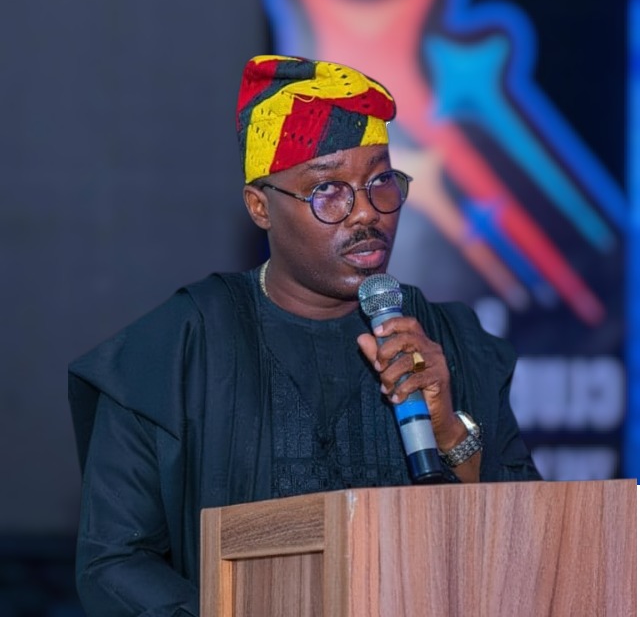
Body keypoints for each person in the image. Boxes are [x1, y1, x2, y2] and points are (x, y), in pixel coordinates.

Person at [68, 55, 541, 617]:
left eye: (381, 181)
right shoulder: (178, 347)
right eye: (329, 191)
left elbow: (528, 548)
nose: (366, 213)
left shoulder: (452, 342)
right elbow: (115, 561)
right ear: (260, 206)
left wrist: (448, 431)